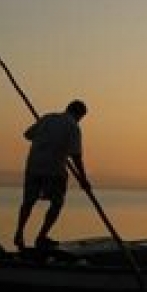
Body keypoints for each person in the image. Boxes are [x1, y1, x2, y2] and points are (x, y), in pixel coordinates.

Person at [13, 99, 90, 251]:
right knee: (57, 203)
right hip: (54, 171)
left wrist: (46, 133)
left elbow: (28, 135)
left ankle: (19, 233)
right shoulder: (73, 127)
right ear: (79, 115)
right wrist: (83, 179)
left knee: (28, 202)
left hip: (33, 167)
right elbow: (76, 157)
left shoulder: (47, 118)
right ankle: (41, 237)